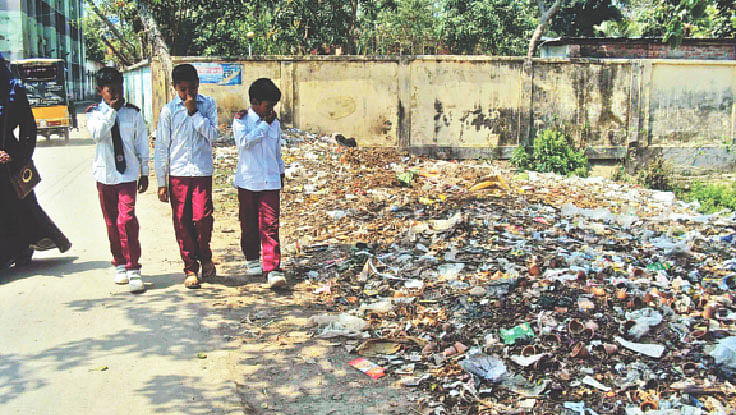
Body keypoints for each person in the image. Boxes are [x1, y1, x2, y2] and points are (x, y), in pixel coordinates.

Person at [0, 54, 71, 269]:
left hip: (10, 158)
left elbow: (28, 128)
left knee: (20, 205)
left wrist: (21, 159)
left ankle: (21, 249)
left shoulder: (14, 90)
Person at [155, 64, 218, 289]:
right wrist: (161, 182)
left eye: (192, 88)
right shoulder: (168, 111)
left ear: (198, 85)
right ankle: (190, 267)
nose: (188, 94)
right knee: (182, 222)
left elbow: (213, 136)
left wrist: (194, 113)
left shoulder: (208, 105)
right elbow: (162, 147)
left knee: (202, 219)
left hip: (201, 172)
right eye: (182, 90)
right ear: (174, 87)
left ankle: (205, 257)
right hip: (179, 174)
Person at [86, 67, 149, 293]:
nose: (115, 94)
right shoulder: (94, 113)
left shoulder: (133, 113)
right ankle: (119, 263)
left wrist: (145, 172)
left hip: (127, 174)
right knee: (112, 222)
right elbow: (97, 134)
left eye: (118, 89)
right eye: (109, 90)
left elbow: (141, 143)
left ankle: (134, 268)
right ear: (100, 91)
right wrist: (111, 112)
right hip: (105, 175)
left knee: (127, 219)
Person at [232, 78, 286, 289]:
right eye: (267, 106)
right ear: (255, 102)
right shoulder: (241, 121)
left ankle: (272, 267)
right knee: (249, 224)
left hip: (270, 181)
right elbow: (244, 143)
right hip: (249, 180)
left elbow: (277, 151)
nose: (270, 110)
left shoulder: (275, 123)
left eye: (272, 106)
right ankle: (252, 258)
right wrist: (264, 124)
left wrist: (281, 172)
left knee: (270, 225)